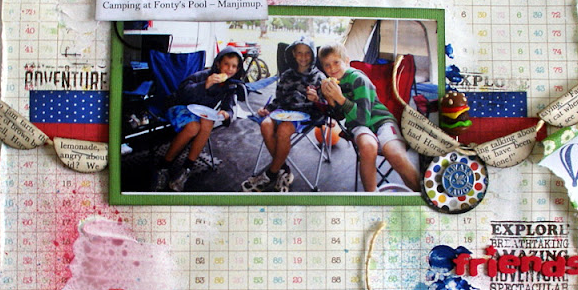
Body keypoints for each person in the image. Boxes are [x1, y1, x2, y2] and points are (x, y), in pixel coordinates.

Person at [318, 43, 420, 193]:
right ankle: (372, 195)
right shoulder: (333, 84)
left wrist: (340, 98)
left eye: (336, 62)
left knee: (394, 153)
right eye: (327, 65)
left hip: (381, 120)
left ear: (346, 61)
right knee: (367, 146)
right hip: (358, 126)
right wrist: (328, 99)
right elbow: (340, 115)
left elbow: (363, 117)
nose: (332, 69)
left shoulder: (358, 79)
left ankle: (423, 195)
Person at [152, 47, 244, 192]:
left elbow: (230, 107)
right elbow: (182, 93)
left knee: (208, 122)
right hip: (179, 106)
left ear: (238, 69)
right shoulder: (203, 75)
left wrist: (226, 114)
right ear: (218, 64)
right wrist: (205, 85)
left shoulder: (230, 85)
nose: (229, 69)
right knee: (193, 127)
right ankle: (163, 167)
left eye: (234, 66)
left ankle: (186, 169)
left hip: (200, 114)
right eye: (226, 64)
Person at [242, 36, 326, 192]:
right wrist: (267, 109)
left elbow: (326, 105)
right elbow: (278, 99)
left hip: (306, 113)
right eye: (299, 52)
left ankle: (271, 173)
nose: (303, 56)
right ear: (293, 53)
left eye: (307, 53)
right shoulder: (286, 75)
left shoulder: (319, 77)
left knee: (284, 130)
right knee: (266, 124)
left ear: (313, 55)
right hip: (284, 111)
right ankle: (283, 169)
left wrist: (317, 99)